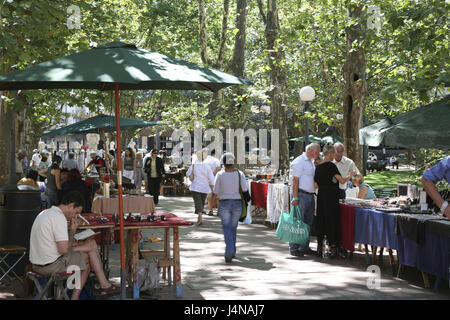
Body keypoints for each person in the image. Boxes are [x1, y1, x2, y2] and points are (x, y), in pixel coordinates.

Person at [29, 192, 120, 300]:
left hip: (37, 264)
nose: (75, 216)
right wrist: (72, 231)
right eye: (76, 212)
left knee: (90, 246)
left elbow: (58, 245)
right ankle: (78, 296)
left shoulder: (45, 213)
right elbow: (63, 250)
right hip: (49, 266)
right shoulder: (58, 217)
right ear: (71, 205)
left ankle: (104, 285)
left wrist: (74, 237)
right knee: (86, 257)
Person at [314, 144, 354, 259]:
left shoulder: (318, 167)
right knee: (332, 220)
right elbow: (341, 181)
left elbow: (315, 184)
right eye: (334, 153)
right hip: (331, 196)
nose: (335, 155)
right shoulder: (331, 166)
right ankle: (332, 247)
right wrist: (349, 176)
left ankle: (319, 247)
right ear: (330, 154)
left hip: (321, 195)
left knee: (321, 219)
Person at [212, 152, 248, 263]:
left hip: (224, 203)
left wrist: (213, 203)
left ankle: (229, 252)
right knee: (233, 227)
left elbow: (215, 191)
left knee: (226, 228)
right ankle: (232, 250)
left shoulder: (220, 175)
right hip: (237, 203)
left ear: (223, 163)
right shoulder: (239, 174)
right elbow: (245, 189)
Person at [289, 143, 321, 257]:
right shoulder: (299, 161)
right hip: (301, 195)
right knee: (298, 222)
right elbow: (295, 180)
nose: (318, 154)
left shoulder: (311, 162)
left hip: (310, 195)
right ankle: (294, 247)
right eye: (317, 152)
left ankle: (304, 247)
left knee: (308, 223)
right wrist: (295, 197)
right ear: (311, 150)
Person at [186, 149, 215, 226]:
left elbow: (187, 173)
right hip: (205, 187)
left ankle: (200, 216)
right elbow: (211, 177)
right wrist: (213, 185)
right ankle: (200, 215)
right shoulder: (207, 166)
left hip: (195, 186)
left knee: (198, 202)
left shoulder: (194, 165)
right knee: (201, 202)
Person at [204, 149, 221, 216]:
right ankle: (219, 211)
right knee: (217, 196)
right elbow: (218, 168)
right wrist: (213, 174)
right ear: (214, 153)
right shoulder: (216, 160)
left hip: (207, 180)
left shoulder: (205, 160)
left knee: (209, 196)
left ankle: (210, 210)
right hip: (215, 180)